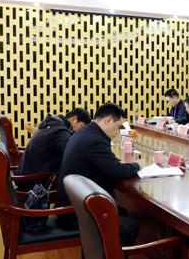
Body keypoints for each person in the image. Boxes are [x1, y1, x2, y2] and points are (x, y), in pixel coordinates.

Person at [55, 103, 144, 246]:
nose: (118, 132)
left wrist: (116, 164)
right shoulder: (94, 140)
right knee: (130, 227)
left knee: (120, 211)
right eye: (118, 126)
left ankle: (103, 254)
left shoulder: (85, 132)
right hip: (76, 212)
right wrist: (137, 165)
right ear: (108, 120)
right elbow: (117, 172)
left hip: (72, 203)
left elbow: (107, 163)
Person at [14, 108, 92, 191]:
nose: (81, 131)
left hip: (27, 176)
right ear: (74, 119)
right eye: (82, 126)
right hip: (34, 183)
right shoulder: (58, 131)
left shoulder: (52, 125)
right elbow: (72, 154)